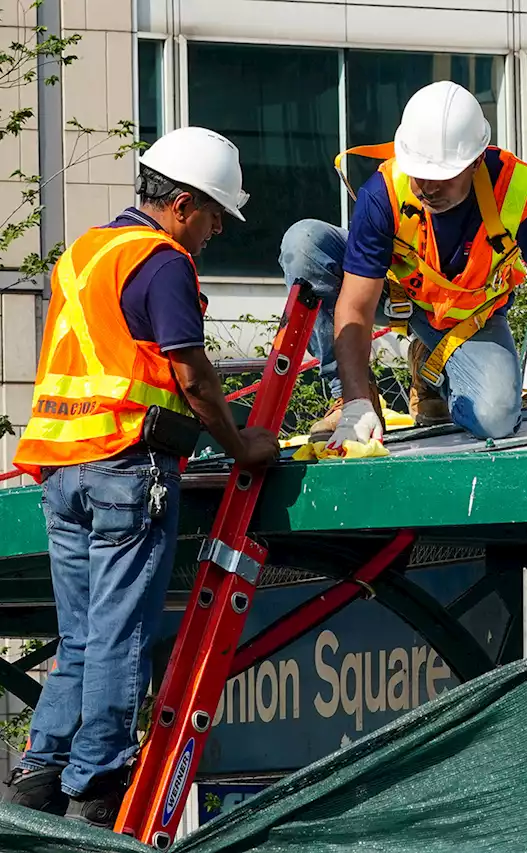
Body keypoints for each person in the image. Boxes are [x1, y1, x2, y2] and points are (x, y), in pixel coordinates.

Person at [0, 128, 280, 825]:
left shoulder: (85, 253)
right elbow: (191, 375)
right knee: (120, 636)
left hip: (63, 468)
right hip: (126, 465)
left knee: (82, 636)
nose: (216, 230)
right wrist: (242, 445)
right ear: (182, 203)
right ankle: (97, 787)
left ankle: (40, 769)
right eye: (216, 214)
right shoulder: (163, 262)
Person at [283, 82, 527, 448]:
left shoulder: (516, 189)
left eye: (443, 176)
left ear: (477, 161)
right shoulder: (383, 192)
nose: (428, 187)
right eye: (420, 172)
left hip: (468, 320)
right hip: (396, 295)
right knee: (305, 243)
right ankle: (349, 396)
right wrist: (356, 403)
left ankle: (432, 371)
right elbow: (355, 304)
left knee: (495, 418)